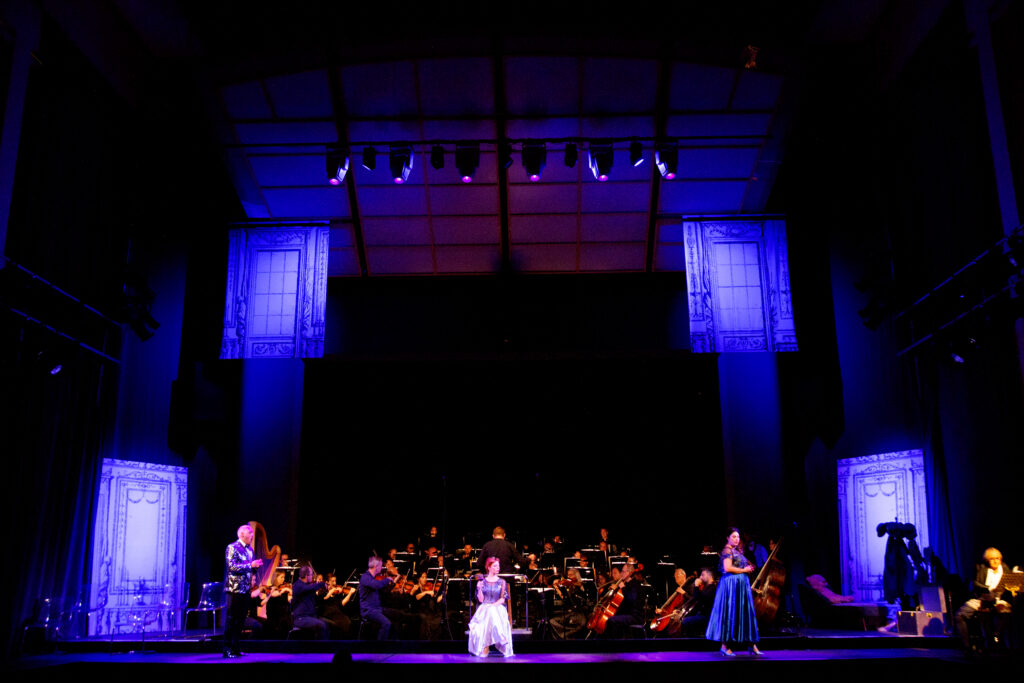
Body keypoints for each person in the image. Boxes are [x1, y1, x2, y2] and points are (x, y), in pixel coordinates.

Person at [706, 527, 761, 656]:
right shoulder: (727, 550)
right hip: (731, 586)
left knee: (744, 613)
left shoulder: (735, 551)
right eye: (734, 537)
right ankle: (725, 646)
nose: (737, 539)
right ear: (728, 538)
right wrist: (744, 570)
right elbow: (727, 567)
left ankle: (751, 644)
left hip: (740, 586)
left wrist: (747, 568)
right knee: (730, 614)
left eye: (738, 537)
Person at [955, 547, 1013, 653]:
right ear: (987, 560)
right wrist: (988, 589)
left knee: (1007, 612)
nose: (995, 561)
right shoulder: (981, 568)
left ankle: (996, 635)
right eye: (992, 559)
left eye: (998, 558)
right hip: (982, 599)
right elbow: (975, 583)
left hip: (999, 600)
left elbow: (1010, 587)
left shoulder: (1005, 568)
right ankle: (967, 646)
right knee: (959, 615)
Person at [223, 524, 263, 658]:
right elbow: (232, 566)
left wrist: (255, 566)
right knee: (231, 619)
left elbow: (249, 569)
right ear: (242, 535)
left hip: (245, 589)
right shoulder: (232, 547)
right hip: (234, 589)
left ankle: (236, 648)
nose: (252, 536)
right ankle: (227, 649)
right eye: (250, 533)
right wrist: (249, 565)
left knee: (240, 620)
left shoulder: (250, 550)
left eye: (252, 533)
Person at [468, 557, 514, 657]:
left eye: (498, 566)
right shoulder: (483, 582)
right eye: (495, 566)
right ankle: (499, 638)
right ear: (489, 567)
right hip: (485, 608)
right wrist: (479, 589)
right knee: (488, 615)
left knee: (491, 612)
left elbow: (502, 599)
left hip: (497, 607)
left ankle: (488, 646)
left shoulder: (502, 581)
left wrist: (491, 606)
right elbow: (481, 600)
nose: (498, 568)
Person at [359, 556, 396, 640]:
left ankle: (395, 646)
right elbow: (377, 585)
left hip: (377, 609)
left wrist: (393, 582)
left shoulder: (373, 578)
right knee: (386, 623)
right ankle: (379, 647)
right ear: (376, 566)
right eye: (380, 565)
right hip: (368, 610)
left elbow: (383, 592)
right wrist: (387, 579)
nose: (381, 567)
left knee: (397, 617)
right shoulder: (365, 577)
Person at [290, 565, 330, 639]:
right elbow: (308, 588)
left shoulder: (309, 585)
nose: (312, 577)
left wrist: (323, 591)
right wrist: (321, 584)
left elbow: (314, 595)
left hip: (310, 617)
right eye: (311, 575)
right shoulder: (297, 585)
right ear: (306, 575)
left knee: (329, 624)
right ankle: (320, 649)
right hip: (301, 618)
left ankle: (326, 648)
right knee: (321, 625)